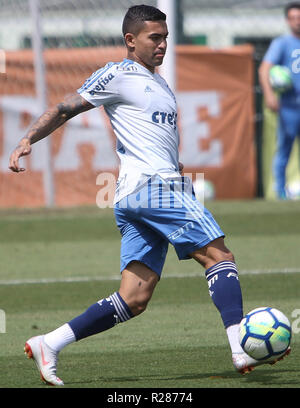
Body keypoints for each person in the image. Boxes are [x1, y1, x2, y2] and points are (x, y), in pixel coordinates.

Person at [9, 5, 288, 386]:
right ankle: (241, 347)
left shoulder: (159, 83)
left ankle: (49, 343)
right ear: (130, 40)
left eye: (165, 38)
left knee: (134, 297)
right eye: (154, 38)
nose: (162, 45)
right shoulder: (119, 74)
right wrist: (27, 140)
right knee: (219, 254)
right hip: (151, 187)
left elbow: (158, 143)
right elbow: (63, 109)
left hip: (141, 193)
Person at [259, 2, 300, 199]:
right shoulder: (282, 43)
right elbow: (264, 69)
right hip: (290, 107)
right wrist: (269, 94)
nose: (297, 22)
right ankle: (281, 193)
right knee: (284, 149)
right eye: (293, 18)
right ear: (287, 20)